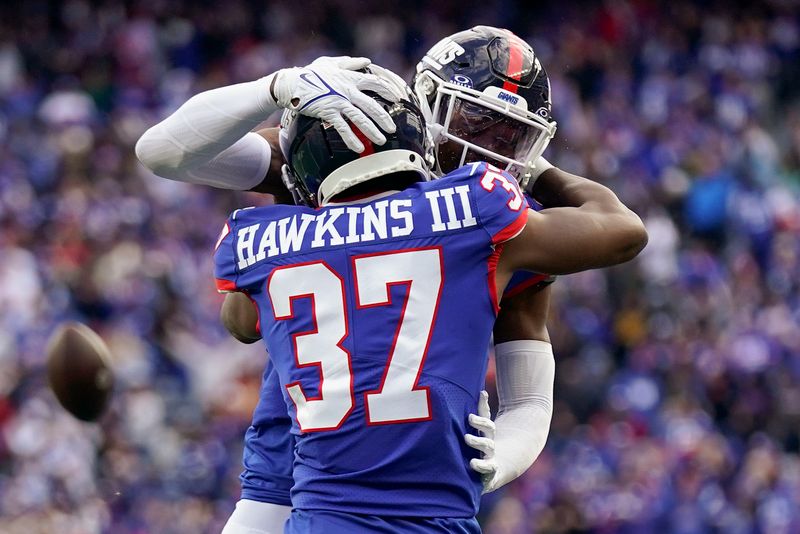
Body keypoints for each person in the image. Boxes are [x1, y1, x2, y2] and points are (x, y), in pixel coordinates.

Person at [210, 70, 645, 531]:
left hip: (311, 497)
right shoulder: (484, 213)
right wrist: (542, 174)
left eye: (510, 134)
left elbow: (240, 321)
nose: (489, 143)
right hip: (379, 502)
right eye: (475, 119)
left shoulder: (282, 226)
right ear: (424, 109)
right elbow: (624, 232)